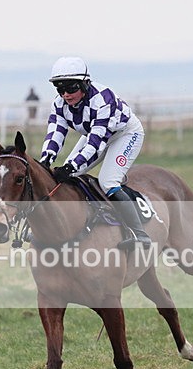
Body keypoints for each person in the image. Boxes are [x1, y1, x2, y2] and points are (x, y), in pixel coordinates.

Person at [39, 56, 151, 248]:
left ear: (85, 84)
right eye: (60, 89)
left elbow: (96, 144)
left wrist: (71, 166)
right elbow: (56, 133)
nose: (65, 94)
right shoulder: (59, 104)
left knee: (108, 182)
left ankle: (140, 234)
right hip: (95, 134)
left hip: (124, 134)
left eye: (71, 88)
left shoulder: (102, 100)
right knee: (67, 177)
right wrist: (46, 159)